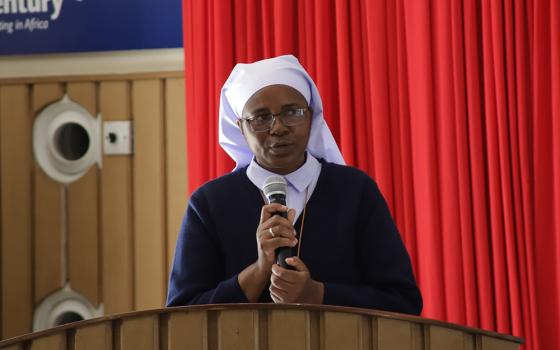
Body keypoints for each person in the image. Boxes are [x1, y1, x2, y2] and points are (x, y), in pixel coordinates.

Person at [166, 55, 422, 314]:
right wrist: (258, 271)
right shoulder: (210, 202)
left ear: (311, 117)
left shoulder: (355, 191)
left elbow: (402, 301)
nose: (278, 128)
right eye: (261, 118)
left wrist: (318, 294)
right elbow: (181, 313)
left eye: (292, 113)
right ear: (241, 128)